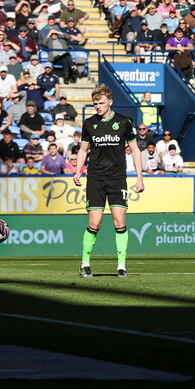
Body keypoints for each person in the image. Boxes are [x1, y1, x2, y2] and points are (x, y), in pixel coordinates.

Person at [72, 84, 145, 278]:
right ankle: (85, 263)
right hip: (95, 178)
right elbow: (83, 149)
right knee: (94, 223)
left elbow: (135, 150)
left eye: (101, 103)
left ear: (110, 102)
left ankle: (121, 265)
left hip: (117, 178)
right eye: (95, 103)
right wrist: (78, 171)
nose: (97, 106)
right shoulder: (89, 124)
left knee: (119, 220)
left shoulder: (124, 122)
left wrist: (139, 177)